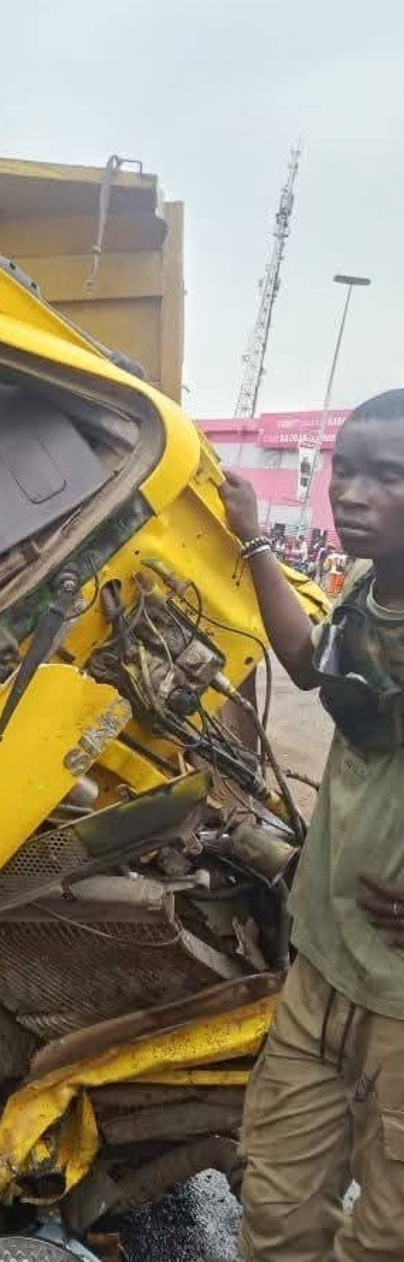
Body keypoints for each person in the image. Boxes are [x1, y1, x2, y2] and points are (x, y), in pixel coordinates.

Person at [219, 388, 404, 1262]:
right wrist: (253, 534)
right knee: (277, 1215)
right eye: (346, 468)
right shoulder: (368, 596)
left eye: (389, 476)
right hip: (322, 968)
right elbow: (305, 664)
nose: (353, 492)